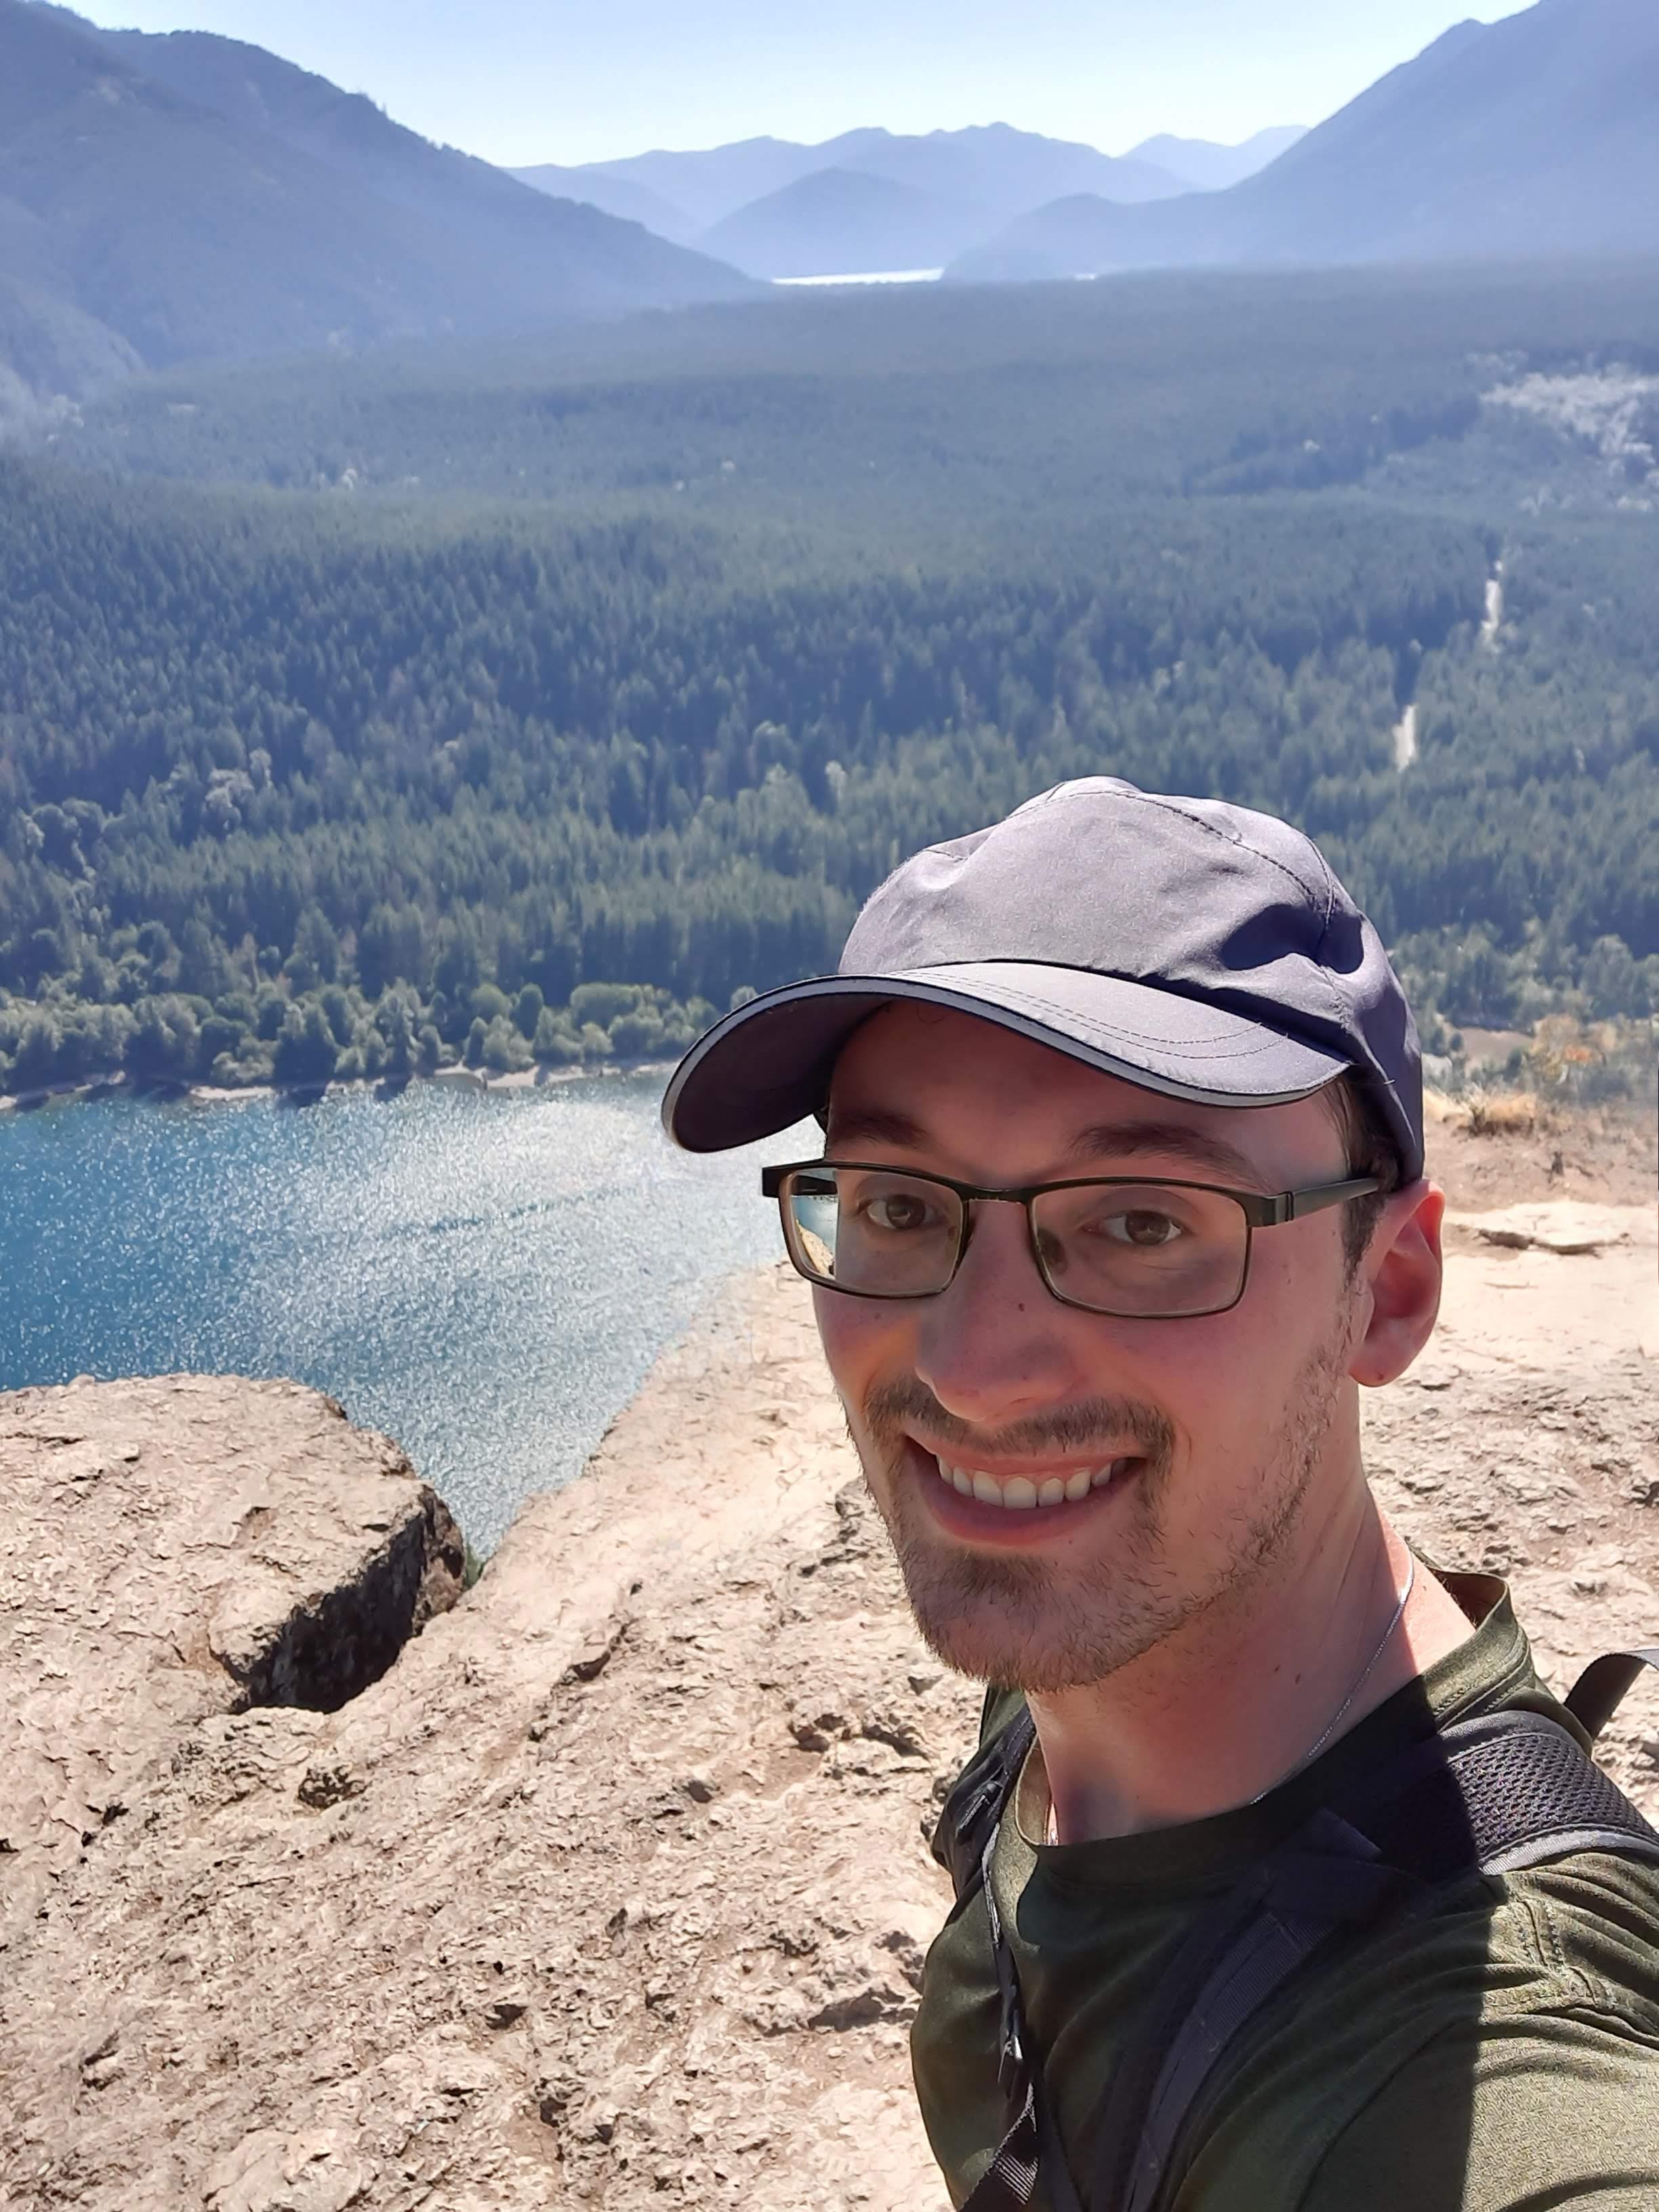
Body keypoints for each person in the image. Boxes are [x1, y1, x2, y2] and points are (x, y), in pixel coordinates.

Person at [662, 777, 1659, 2210]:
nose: (976, 1374)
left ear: (1390, 1289)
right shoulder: (1082, 1641)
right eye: (896, 1201)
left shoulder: (1491, 2068)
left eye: (1141, 1222)